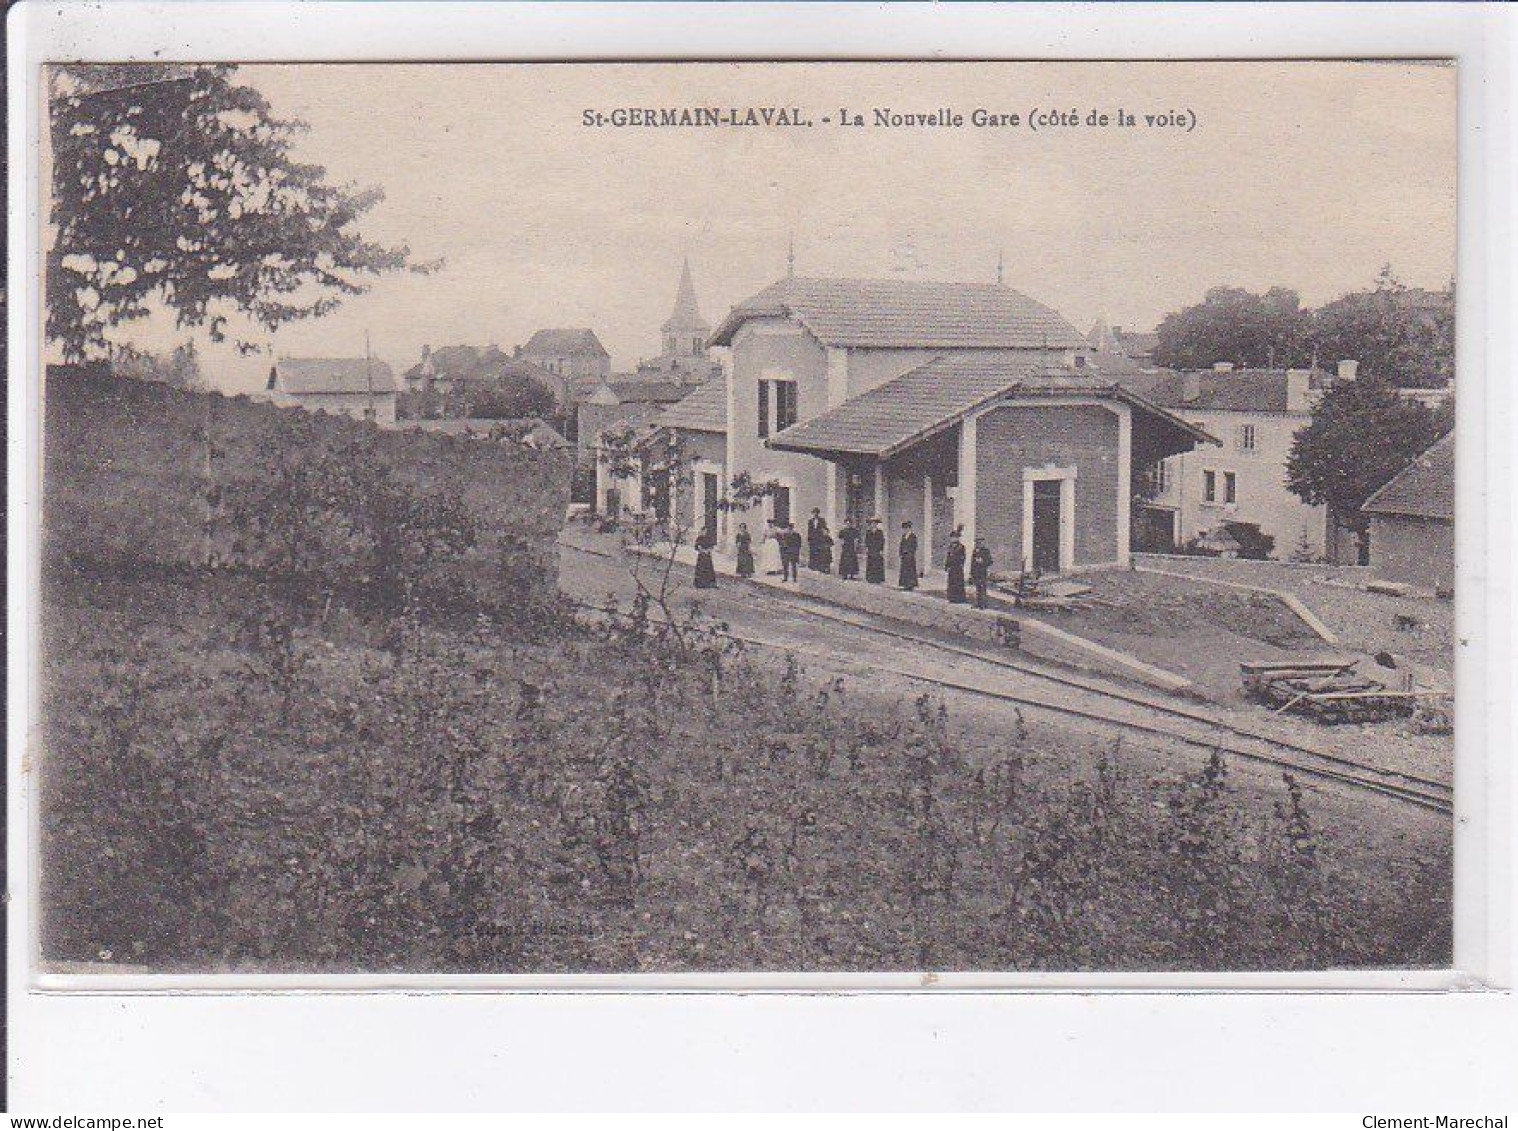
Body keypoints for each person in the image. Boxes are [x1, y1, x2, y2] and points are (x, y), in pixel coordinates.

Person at [970, 536, 994, 609]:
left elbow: (990, 562)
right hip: (976, 572)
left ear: (983, 543)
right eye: (977, 542)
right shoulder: (975, 551)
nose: (978, 544)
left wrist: (982, 561)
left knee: (983, 588)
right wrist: (971, 572)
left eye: (980, 542)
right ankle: (977, 603)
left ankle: (983, 604)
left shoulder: (986, 551)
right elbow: (972, 562)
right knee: (977, 588)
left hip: (982, 572)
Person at [945, 528, 967, 604]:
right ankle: (952, 598)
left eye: (954, 537)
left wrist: (960, 564)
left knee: (958, 583)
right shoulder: (950, 547)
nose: (953, 539)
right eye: (952, 537)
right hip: (951, 567)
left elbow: (963, 557)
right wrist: (946, 566)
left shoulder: (961, 547)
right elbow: (948, 557)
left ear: (957, 538)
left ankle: (959, 599)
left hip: (957, 567)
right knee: (951, 582)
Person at [864, 517, 887, 584]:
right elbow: (866, 541)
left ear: (876, 524)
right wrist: (867, 548)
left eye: (874, 523)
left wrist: (881, 550)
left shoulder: (880, 532)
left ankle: (878, 578)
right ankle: (870, 578)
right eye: (872, 523)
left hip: (877, 549)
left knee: (877, 563)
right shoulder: (868, 532)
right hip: (871, 549)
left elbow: (882, 541)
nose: (873, 525)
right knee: (871, 563)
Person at [898, 521, 919, 591]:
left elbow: (914, 546)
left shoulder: (913, 536)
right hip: (904, 556)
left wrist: (910, 552)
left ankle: (910, 585)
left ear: (910, 528)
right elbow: (901, 545)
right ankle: (905, 584)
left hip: (910, 556)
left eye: (907, 528)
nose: (905, 530)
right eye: (904, 528)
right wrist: (900, 552)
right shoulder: (904, 536)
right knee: (904, 571)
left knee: (910, 571)